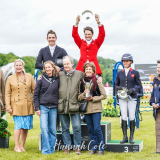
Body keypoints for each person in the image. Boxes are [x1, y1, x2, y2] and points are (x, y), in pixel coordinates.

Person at [35, 30, 68, 132]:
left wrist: (60, 68)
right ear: (47, 39)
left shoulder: (62, 50)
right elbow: (37, 64)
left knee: (56, 100)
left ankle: (57, 125)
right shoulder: (42, 50)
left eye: (53, 37)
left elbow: (68, 63)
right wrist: (48, 67)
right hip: (46, 78)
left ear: (56, 38)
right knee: (47, 99)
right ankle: (50, 125)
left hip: (58, 78)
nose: (51, 39)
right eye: (49, 37)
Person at [5, 59, 35, 152]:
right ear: (14, 67)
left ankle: (22, 146)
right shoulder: (10, 78)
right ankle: (16, 146)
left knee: (25, 126)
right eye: (16, 65)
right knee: (18, 125)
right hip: (16, 105)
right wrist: (8, 106)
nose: (18, 67)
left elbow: (34, 91)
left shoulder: (29, 76)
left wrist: (35, 104)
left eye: (20, 65)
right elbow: (7, 93)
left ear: (23, 66)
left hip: (28, 104)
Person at [78, 62, 107, 155]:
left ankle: (101, 148)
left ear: (93, 70)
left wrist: (93, 98)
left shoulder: (97, 81)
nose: (88, 70)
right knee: (90, 129)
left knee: (97, 129)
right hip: (86, 110)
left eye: (90, 69)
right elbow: (78, 97)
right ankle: (93, 148)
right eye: (86, 69)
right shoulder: (81, 82)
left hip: (96, 109)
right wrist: (83, 94)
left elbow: (104, 95)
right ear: (84, 70)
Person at [58, 56, 84, 155]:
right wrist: (40, 76)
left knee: (76, 127)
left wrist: (98, 77)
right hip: (62, 105)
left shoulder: (79, 74)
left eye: (68, 64)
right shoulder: (59, 74)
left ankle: (77, 147)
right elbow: (48, 76)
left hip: (74, 104)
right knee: (64, 128)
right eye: (64, 64)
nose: (66, 66)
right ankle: (67, 147)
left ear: (72, 64)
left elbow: (89, 77)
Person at [115, 53, 142, 144]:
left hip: (132, 97)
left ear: (130, 62)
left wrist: (133, 90)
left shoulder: (135, 72)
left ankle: (131, 137)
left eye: (127, 61)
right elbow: (116, 84)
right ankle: (125, 136)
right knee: (123, 116)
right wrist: (118, 88)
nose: (125, 62)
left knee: (131, 116)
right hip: (122, 97)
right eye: (124, 61)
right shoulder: (119, 73)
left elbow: (139, 85)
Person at [34, 61, 59, 154]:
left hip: (53, 107)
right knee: (44, 128)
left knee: (52, 129)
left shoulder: (57, 79)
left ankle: (51, 149)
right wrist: (37, 108)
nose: (47, 69)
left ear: (53, 68)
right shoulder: (41, 79)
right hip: (43, 107)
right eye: (46, 67)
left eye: (49, 67)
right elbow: (35, 94)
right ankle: (46, 150)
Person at [150, 60, 160, 153]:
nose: (158, 69)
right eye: (157, 67)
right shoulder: (155, 79)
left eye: (159, 67)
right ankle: (158, 150)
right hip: (157, 110)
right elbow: (153, 93)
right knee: (158, 130)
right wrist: (152, 103)